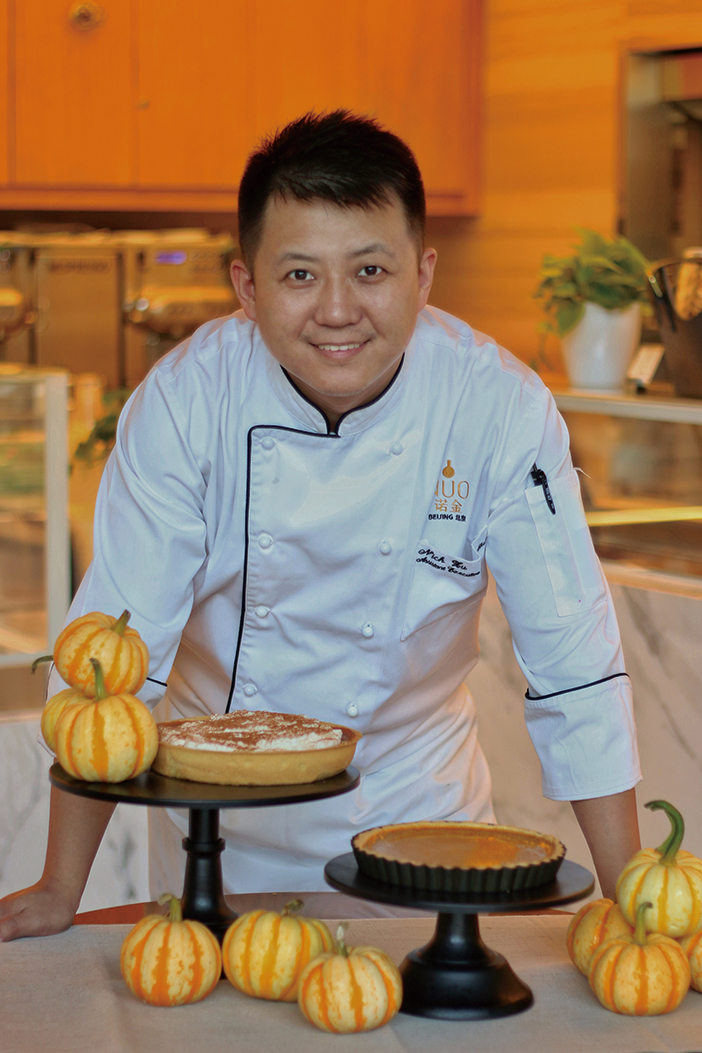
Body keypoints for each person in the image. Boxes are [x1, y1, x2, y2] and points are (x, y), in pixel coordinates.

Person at [0, 111, 641, 941]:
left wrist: (632, 901)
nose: (338, 310)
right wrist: (61, 885)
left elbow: (573, 659)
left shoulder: (497, 407)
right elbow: (112, 663)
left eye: (370, 269)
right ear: (247, 287)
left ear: (423, 274)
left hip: (415, 811)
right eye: (300, 275)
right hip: (217, 827)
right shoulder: (189, 401)